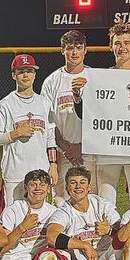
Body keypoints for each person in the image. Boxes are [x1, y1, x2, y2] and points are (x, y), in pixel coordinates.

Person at [78, 22, 130, 205]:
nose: (122, 47)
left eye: (127, 43)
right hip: (108, 148)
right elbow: (87, 115)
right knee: (105, 201)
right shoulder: (100, 78)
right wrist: (77, 97)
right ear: (111, 46)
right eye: (117, 43)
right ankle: (106, 234)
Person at [44, 166, 122, 260]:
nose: (78, 186)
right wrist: (84, 245)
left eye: (82, 182)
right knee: (57, 252)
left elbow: (123, 234)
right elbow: (51, 236)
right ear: (67, 189)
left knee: (120, 249)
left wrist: (110, 230)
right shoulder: (64, 211)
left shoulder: (102, 205)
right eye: (73, 183)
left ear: (89, 187)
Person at [0, 53, 57, 209]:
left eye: (29, 70)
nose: (26, 75)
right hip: (14, 172)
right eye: (21, 71)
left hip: (40, 169)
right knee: (13, 216)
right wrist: (16, 134)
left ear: (34, 74)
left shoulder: (44, 103)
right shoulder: (5, 104)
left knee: (40, 216)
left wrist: (53, 164)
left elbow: (50, 137)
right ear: (14, 75)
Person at [41, 30, 90, 192]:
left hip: (89, 151)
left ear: (85, 50)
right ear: (62, 50)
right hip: (63, 152)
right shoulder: (51, 81)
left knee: (90, 197)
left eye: (78, 47)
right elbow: (47, 121)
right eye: (70, 48)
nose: (74, 52)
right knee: (61, 199)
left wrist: (82, 146)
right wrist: (66, 147)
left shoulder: (95, 77)